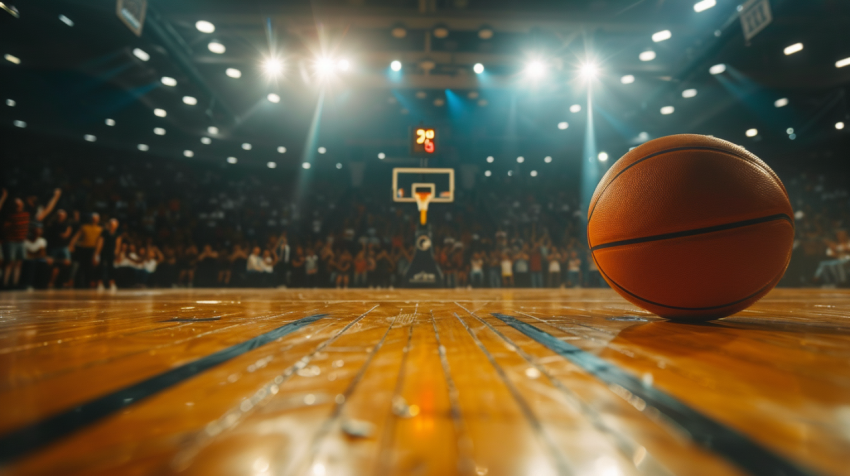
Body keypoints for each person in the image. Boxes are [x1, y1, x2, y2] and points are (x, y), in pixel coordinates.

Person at [69, 213, 102, 288]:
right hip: (83, 249)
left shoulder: (100, 229)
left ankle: (89, 283)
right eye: (93, 218)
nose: (94, 220)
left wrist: (97, 252)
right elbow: (77, 236)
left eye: (96, 218)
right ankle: (78, 284)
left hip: (93, 249)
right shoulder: (84, 227)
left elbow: (100, 241)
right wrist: (71, 244)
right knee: (81, 266)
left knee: (90, 267)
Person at [3, 197, 30, 288]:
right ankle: (5, 284)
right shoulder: (9, 216)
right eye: (17, 204)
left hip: (21, 242)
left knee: (19, 263)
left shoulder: (26, 214)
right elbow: (4, 228)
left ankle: (15, 284)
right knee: (10, 262)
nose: (19, 206)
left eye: (20, 204)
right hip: (11, 241)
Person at [46, 210, 73, 288]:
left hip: (63, 246)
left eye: (62, 215)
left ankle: (64, 282)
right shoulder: (52, 224)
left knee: (67, 263)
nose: (60, 216)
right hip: (54, 247)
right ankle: (51, 282)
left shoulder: (67, 224)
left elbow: (66, 235)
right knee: (52, 264)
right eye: (59, 215)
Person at [96, 218, 121, 291]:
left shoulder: (117, 235)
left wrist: (116, 255)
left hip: (111, 253)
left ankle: (111, 283)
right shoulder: (104, 233)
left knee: (111, 268)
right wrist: (97, 253)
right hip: (103, 252)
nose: (112, 226)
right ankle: (100, 283)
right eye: (111, 224)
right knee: (101, 267)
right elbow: (100, 243)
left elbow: (117, 245)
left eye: (114, 225)